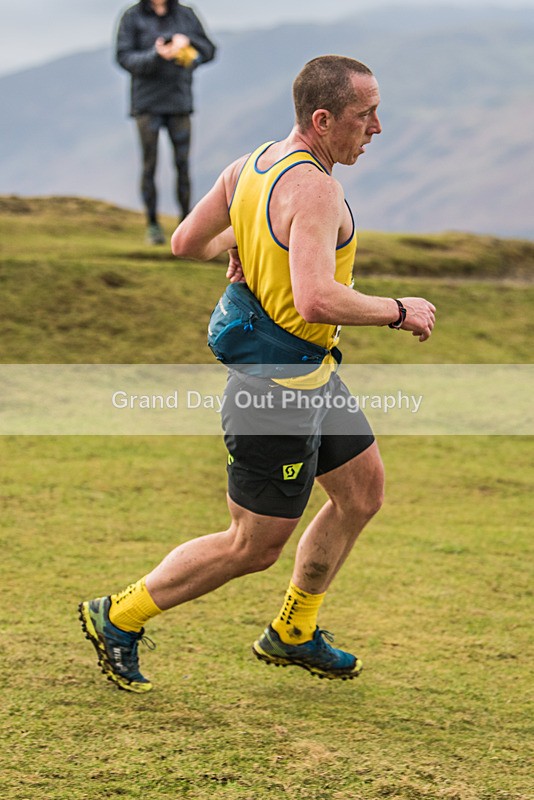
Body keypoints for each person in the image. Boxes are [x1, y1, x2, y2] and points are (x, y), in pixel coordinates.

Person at [79, 55, 436, 693]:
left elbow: (186, 242)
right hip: (274, 392)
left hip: (312, 375)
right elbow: (317, 300)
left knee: (361, 494)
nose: (377, 126)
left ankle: (293, 630)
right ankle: (119, 614)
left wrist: (244, 243)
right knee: (252, 545)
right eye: (365, 114)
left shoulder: (253, 164)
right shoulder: (317, 187)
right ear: (323, 119)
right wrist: (399, 310)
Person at [116, 0, 216, 244]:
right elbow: (124, 58)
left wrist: (187, 45)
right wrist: (157, 55)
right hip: (147, 105)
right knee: (149, 165)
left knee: (182, 165)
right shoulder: (132, 17)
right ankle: (152, 226)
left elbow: (209, 51)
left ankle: (186, 224)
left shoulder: (186, 15)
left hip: (179, 102)